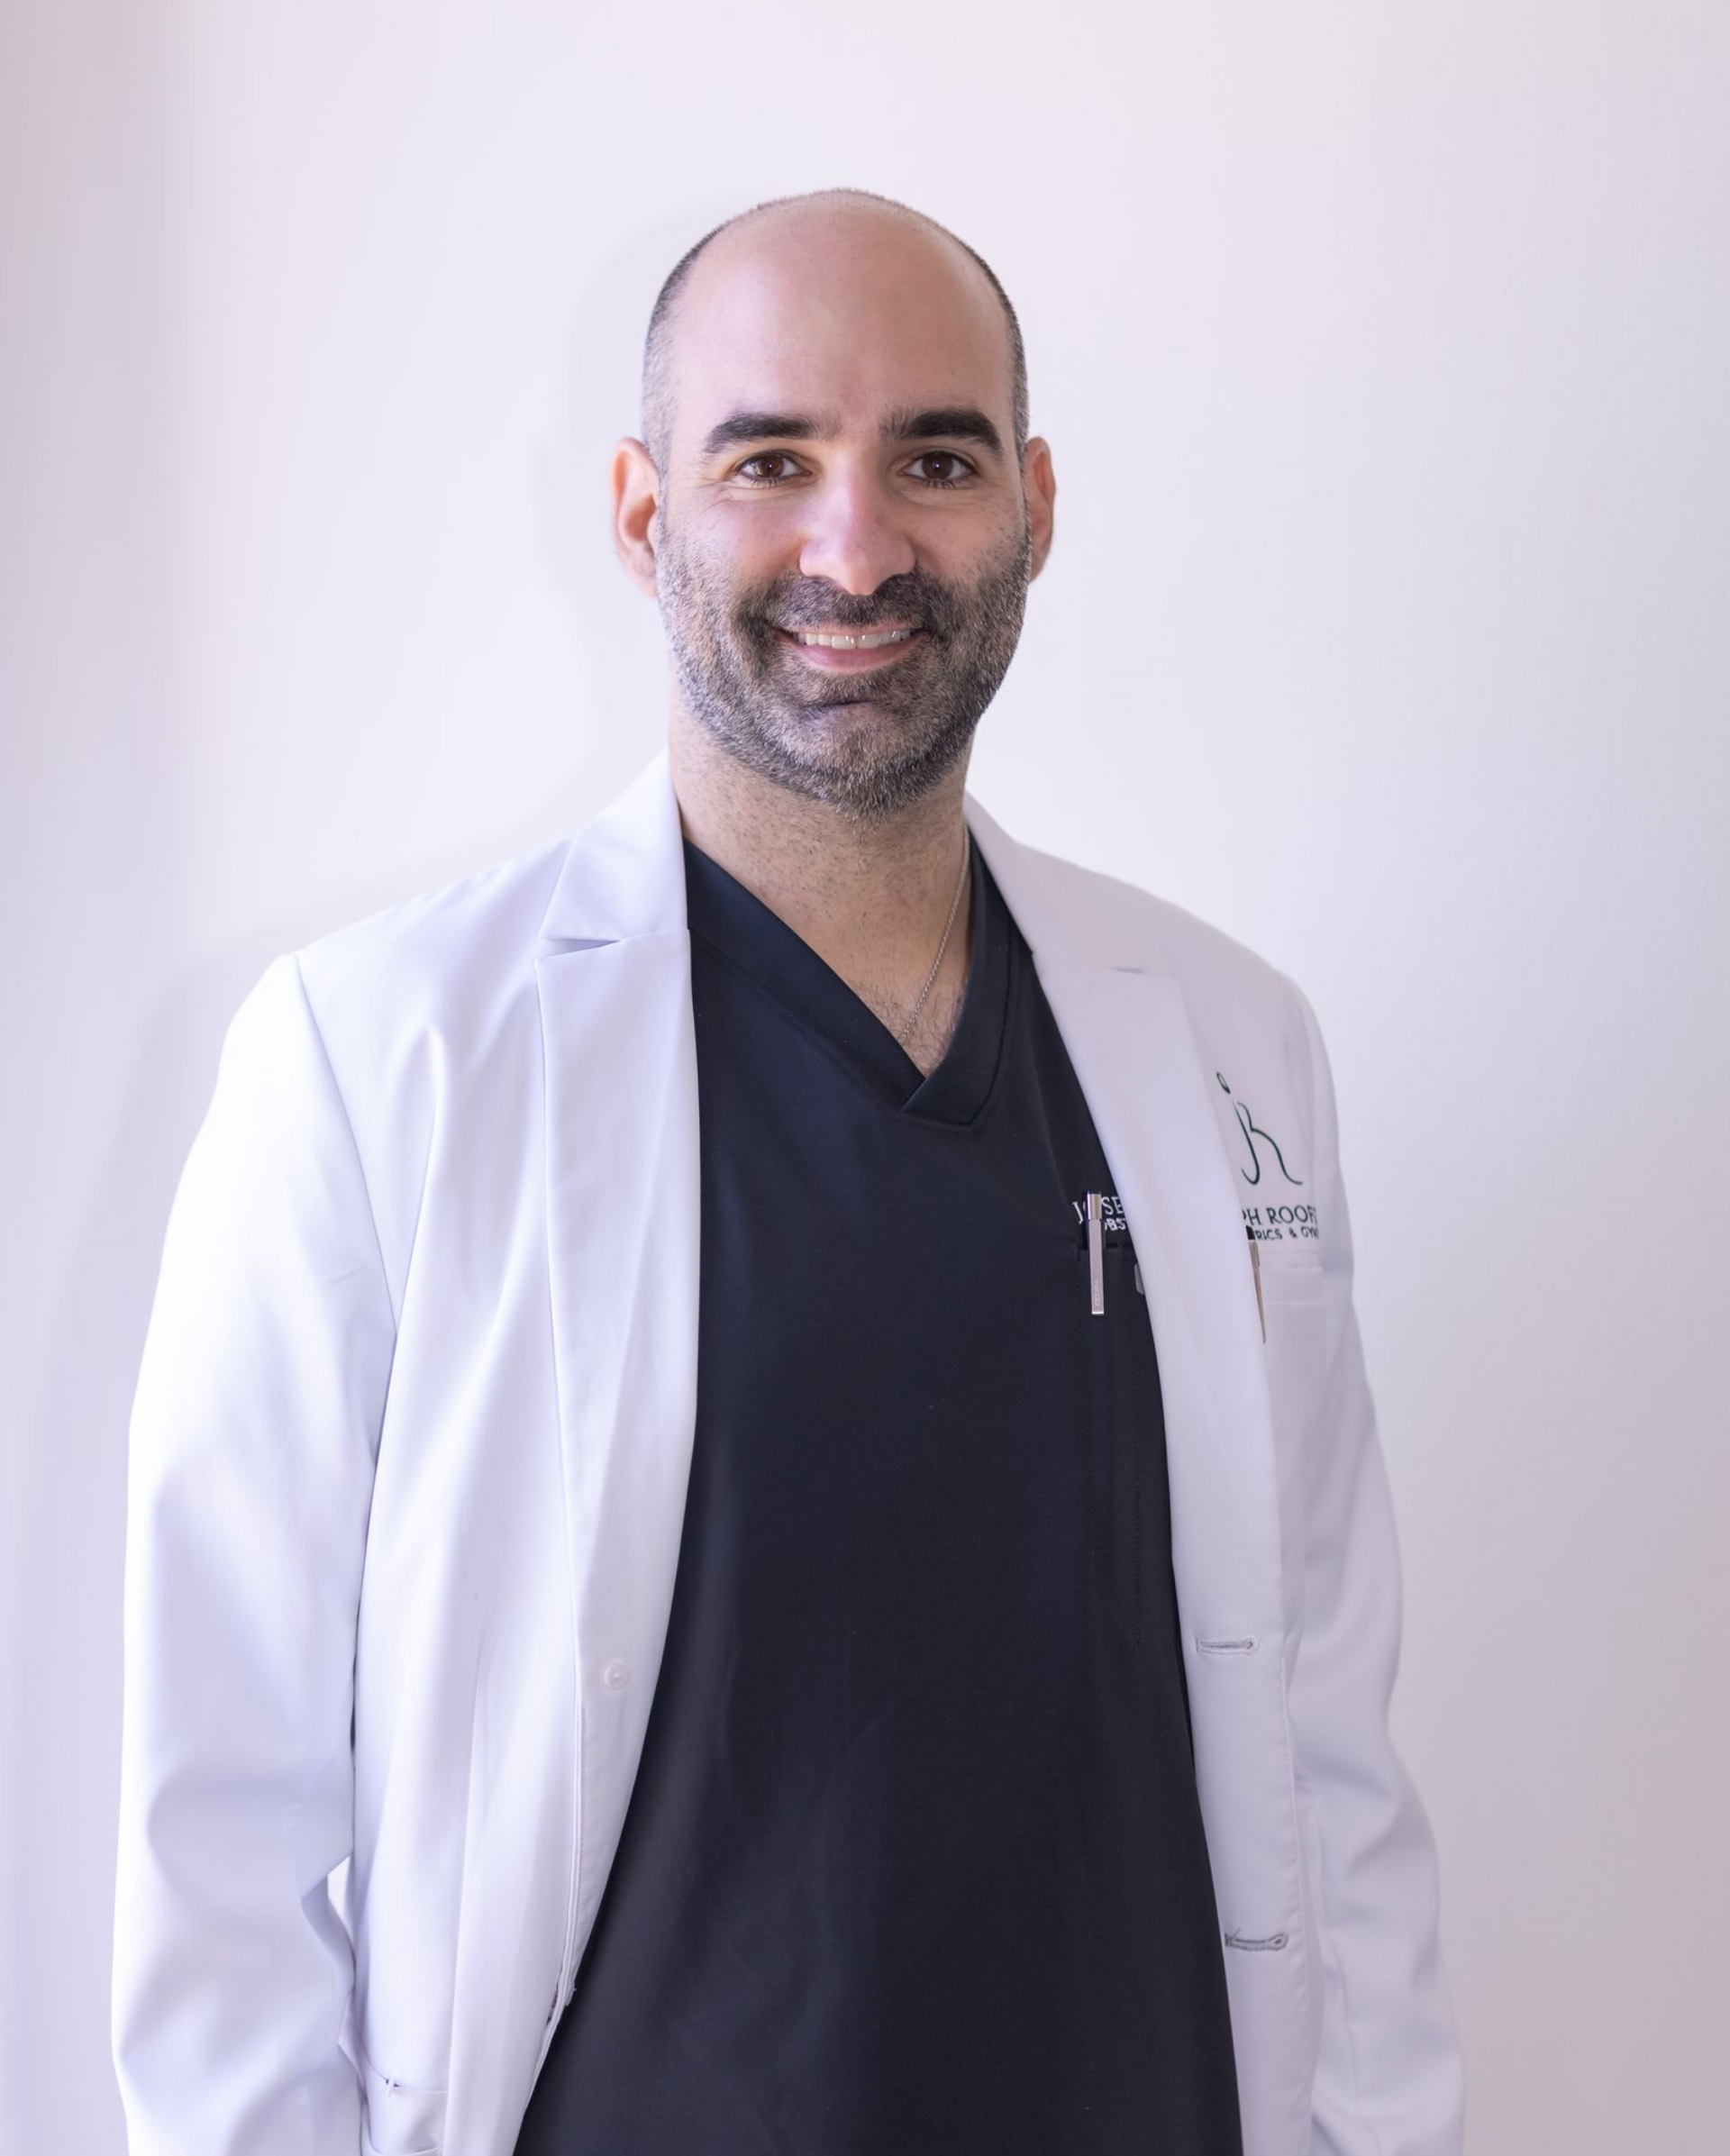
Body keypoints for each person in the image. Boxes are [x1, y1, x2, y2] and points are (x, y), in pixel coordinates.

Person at [113, 187, 1466, 2156]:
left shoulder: (1228, 1041)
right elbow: (221, 1837)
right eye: (770, 459)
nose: (858, 545)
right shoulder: (376, 1057)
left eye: (937, 458)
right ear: (642, 512)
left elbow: (1331, 1742)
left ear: (1035, 509)